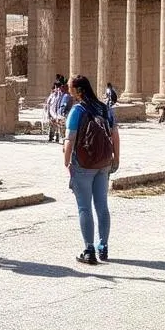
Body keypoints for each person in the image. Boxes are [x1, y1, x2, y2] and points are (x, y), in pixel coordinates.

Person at [63, 74, 120, 265]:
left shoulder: (77, 110)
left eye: (70, 88)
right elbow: (115, 135)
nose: (68, 90)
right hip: (103, 163)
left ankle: (89, 250)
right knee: (102, 206)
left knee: (84, 207)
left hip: (83, 164)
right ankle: (103, 246)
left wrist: (67, 162)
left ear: (79, 91)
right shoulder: (105, 109)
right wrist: (116, 159)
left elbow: (69, 140)